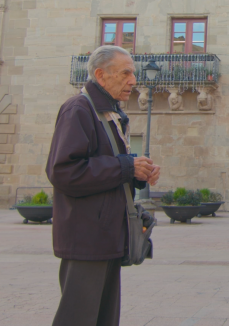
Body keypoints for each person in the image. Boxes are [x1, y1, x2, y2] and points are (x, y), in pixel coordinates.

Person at [46, 45, 161, 326]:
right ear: (101, 75)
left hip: (106, 235)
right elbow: (64, 171)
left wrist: (136, 172)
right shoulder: (78, 109)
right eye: (125, 73)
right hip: (87, 237)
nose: (133, 81)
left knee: (104, 319)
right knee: (79, 318)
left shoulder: (108, 113)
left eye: (132, 73)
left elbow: (104, 165)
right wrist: (125, 166)